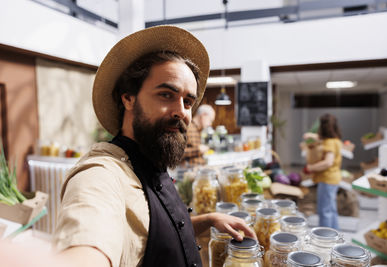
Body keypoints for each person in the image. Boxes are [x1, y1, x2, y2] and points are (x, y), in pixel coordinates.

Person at [53, 25, 255, 267]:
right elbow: (86, 246)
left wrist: (209, 220)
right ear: (128, 98)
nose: (182, 112)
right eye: (166, 95)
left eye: (188, 101)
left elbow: (152, 235)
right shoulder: (101, 175)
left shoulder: (150, 161)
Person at [305, 114, 342, 229]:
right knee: (331, 209)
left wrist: (310, 168)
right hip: (333, 179)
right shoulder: (335, 140)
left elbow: (328, 162)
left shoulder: (329, 143)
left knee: (324, 211)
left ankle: (325, 239)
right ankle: (336, 236)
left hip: (327, 180)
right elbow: (321, 139)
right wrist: (312, 135)